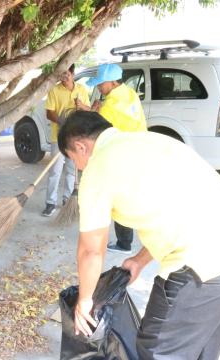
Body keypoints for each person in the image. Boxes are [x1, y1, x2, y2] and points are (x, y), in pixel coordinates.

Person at [58, 111, 220, 360]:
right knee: (201, 349)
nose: (77, 168)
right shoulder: (152, 141)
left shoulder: (98, 167)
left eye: (72, 159)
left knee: (158, 351)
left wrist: (85, 300)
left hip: (201, 267)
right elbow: (180, 209)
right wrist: (139, 260)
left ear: (80, 146)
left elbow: (91, 250)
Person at [87, 63, 147, 254]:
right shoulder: (129, 93)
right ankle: (130, 238)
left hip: (123, 156)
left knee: (119, 199)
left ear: (112, 82)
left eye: (101, 84)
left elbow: (98, 127)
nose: (98, 87)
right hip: (138, 152)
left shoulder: (111, 104)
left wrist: (93, 111)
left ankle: (124, 243)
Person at [42, 64, 91, 217]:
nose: (64, 77)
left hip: (75, 138)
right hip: (58, 137)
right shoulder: (54, 90)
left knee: (71, 170)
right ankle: (50, 203)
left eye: (67, 74)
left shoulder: (81, 90)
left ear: (73, 73)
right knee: (55, 171)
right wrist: (61, 121)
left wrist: (81, 106)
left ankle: (67, 201)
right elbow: (49, 113)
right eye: (61, 74)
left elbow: (88, 110)